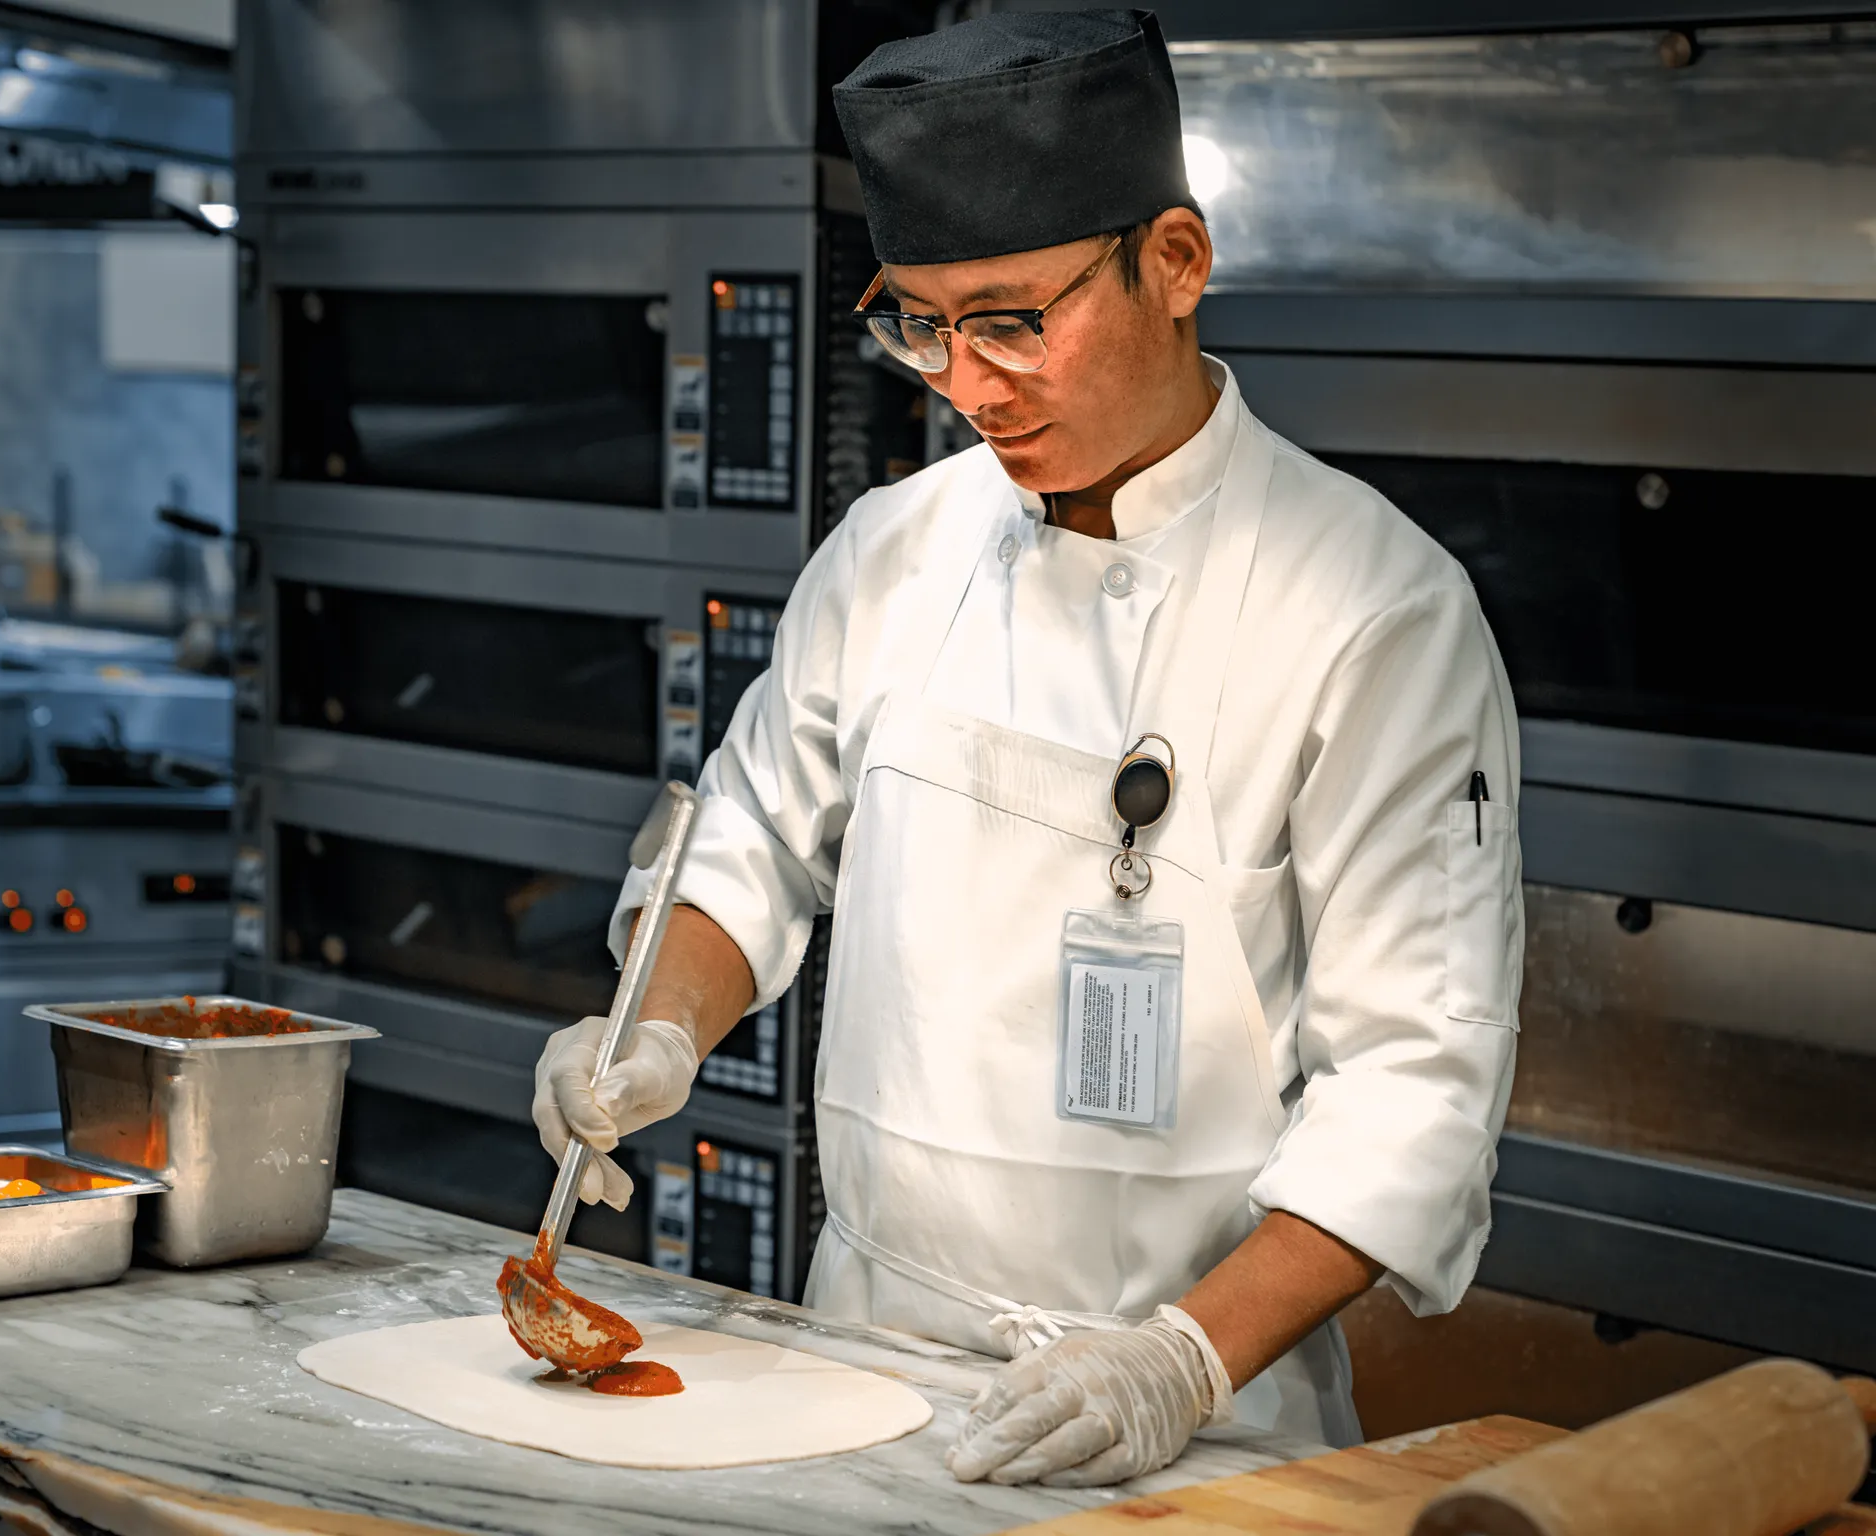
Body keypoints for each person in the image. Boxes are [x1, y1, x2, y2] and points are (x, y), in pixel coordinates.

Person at [532, 8, 1522, 1488]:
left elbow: (1417, 1087)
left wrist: (1174, 1362)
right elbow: (742, 843)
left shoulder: (1375, 612)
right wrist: (654, 1025)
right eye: (919, 324)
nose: (964, 384)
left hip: (1196, 1431)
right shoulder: (889, 554)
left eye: (1012, 319)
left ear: (1175, 264)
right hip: (855, 1370)